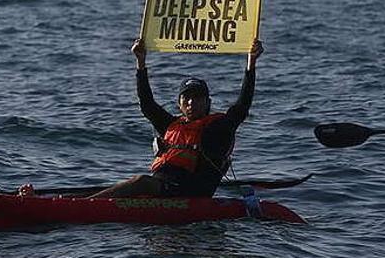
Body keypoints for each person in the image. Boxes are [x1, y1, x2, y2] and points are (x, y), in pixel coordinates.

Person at [88, 36, 264, 198]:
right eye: (186, 98)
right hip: (163, 189)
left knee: (140, 182)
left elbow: (242, 105)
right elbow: (147, 104)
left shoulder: (218, 129)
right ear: (179, 104)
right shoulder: (172, 124)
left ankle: (87, 206)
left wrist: (251, 63)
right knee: (136, 185)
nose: (191, 102)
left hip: (189, 194)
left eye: (197, 98)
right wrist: (140, 62)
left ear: (208, 103)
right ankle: (79, 202)